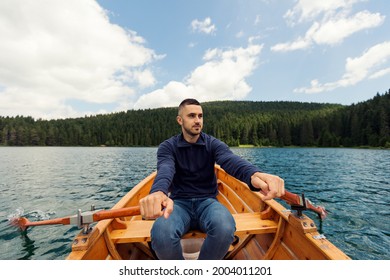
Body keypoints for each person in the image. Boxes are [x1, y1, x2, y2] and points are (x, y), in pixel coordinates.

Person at [139, 98, 285, 260]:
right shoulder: (168, 146)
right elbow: (165, 169)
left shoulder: (213, 144)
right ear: (180, 120)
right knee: (161, 234)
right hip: (178, 204)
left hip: (207, 202)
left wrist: (254, 174)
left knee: (224, 228)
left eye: (200, 116)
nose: (197, 121)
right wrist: (159, 192)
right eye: (192, 116)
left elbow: (230, 160)